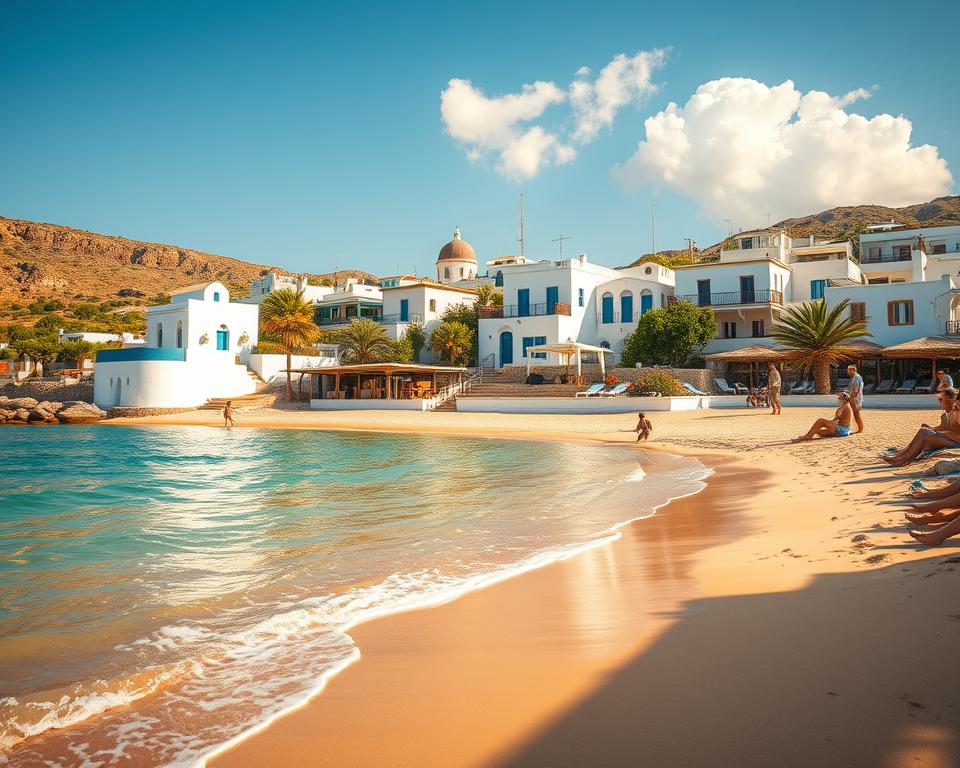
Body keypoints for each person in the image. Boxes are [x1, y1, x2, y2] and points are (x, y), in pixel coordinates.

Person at [881, 388, 960, 466]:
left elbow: (955, 433)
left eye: (941, 399)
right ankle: (901, 455)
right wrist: (932, 429)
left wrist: (935, 433)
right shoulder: (950, 414)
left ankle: (902, 459)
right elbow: (945, 428)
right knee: (924, 432)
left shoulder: (957, 413)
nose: (940, 402)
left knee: (924, 433)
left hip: (956, 443)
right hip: (952, 440)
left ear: (950, 399)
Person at [847, 364, 865, 434]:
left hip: (856, 399)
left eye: (849, 371)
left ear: (853, 370)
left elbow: (856, 391)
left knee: (856, 414)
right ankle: (860, 429)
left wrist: (851, 398)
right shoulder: (857, 377)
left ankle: (860, 429)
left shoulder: (856, 378)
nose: (848, 372)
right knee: (856, 414)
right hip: (856, 398)